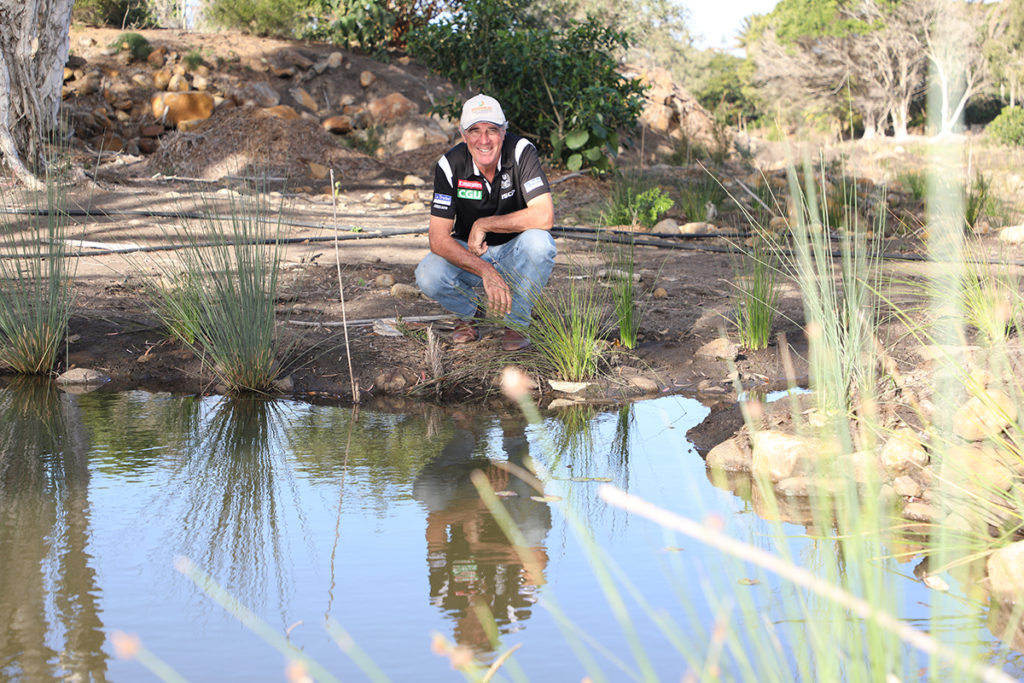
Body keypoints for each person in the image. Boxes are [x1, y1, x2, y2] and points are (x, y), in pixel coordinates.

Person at [415, 95, 556, 352]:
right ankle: (470, 312)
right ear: (462, 133)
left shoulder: (521, 151)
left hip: (515, 250)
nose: (484, 140)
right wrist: (486, 271)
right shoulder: (449, 165)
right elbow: (438, 238)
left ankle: (517, 323)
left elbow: (544, 215)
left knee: (541, 244)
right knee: (428, 274)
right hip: (472, 254)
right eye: (475, 131)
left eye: (492, 130)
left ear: (504, 130)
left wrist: (484, 224)